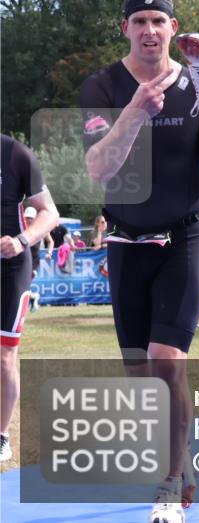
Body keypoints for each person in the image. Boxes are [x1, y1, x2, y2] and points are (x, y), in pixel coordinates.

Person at [79, 0, 199, 522]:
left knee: (166, 361)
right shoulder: (102, 86)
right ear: (125, 29)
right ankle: (180, 457)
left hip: (187, 234)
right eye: (140, 22)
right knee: (141, 377)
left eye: (159, 21)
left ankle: (169, 485)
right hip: (128, 237)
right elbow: (99, 170)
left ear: (173, 30)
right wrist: (133, 111)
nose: (150, 31)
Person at [1, 135, 60, 463]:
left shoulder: (15, 153)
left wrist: (22, 240)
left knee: (5, 355)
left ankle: (1, 435)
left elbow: (49, 212)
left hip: (9, 267)